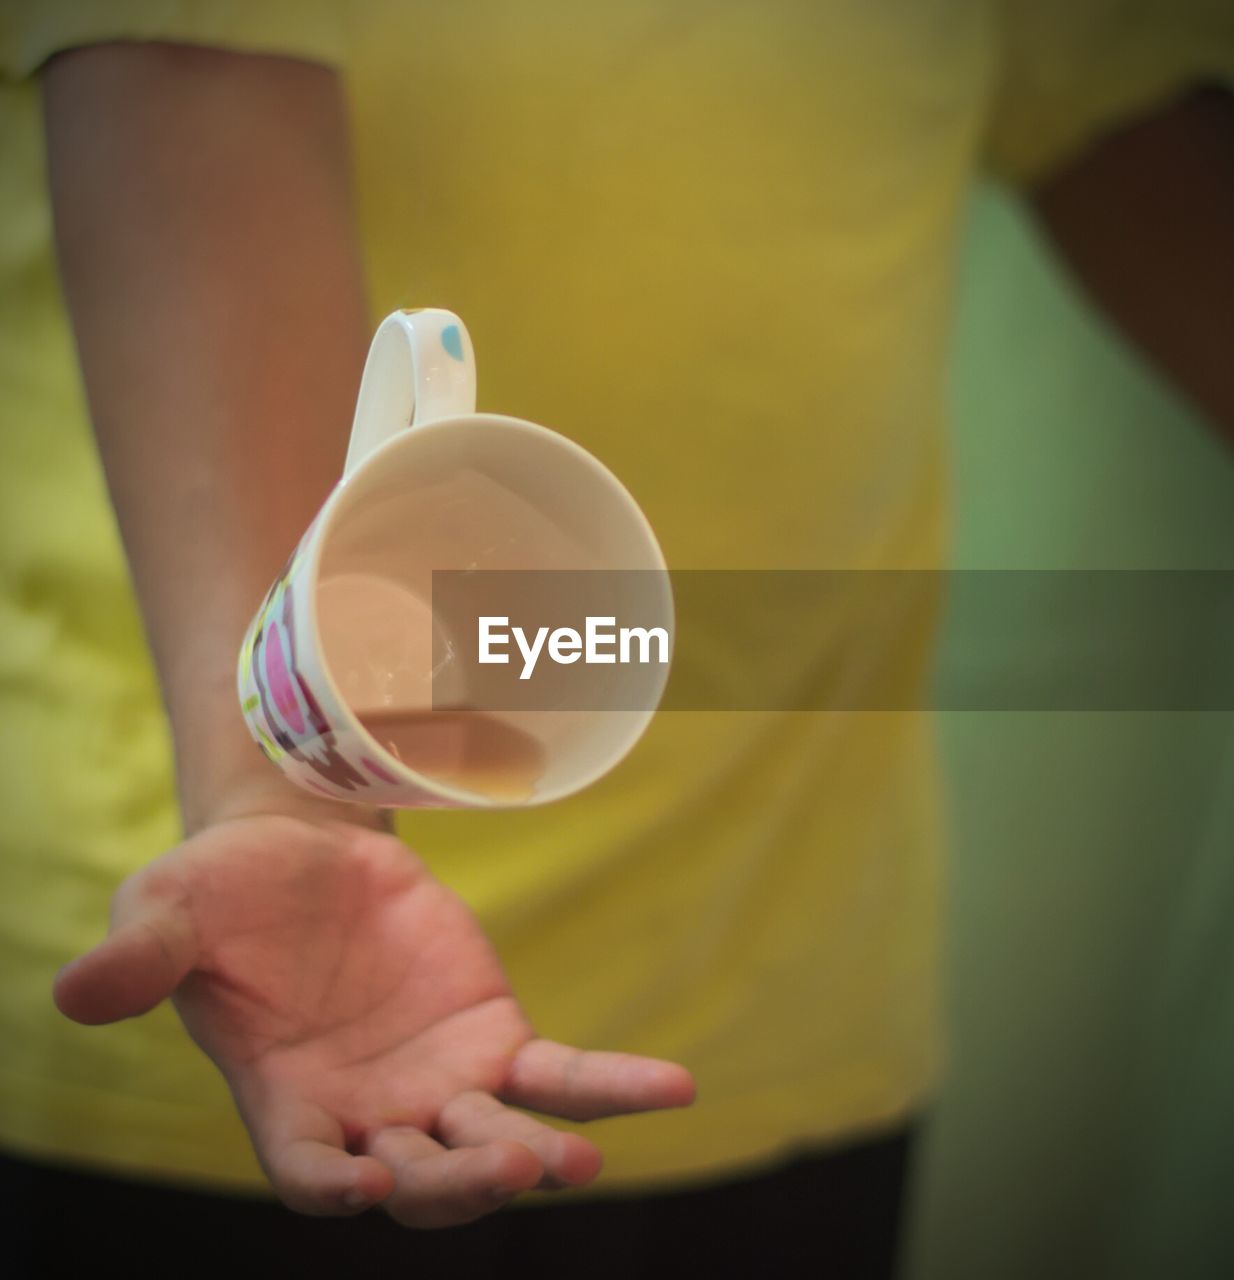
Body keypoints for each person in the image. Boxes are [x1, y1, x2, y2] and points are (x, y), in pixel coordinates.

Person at [0, 2, 1230, 1275]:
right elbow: (184, 91)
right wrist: (287, 799)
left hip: (791, 1008)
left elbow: (1137, 139)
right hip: (249, 1004)